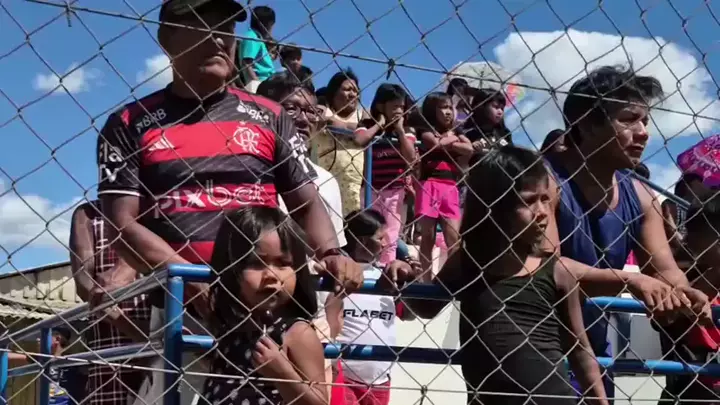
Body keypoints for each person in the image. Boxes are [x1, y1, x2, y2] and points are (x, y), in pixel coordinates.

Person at [95, 1, 362, 403]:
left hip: (268, 316)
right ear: (167, 39)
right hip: (183, 317)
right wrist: (190, 280)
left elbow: (306, 202)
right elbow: (121, 224)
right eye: (203, 28)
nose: (220, 41)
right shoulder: (129, 124)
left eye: (227, 31)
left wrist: (331, 251)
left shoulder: (269, 116)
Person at [542, 65, 712, 399]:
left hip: (593, 353)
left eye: (645, 121)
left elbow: (664, 269)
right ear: (587, 123)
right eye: (629, 119)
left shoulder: (641, 196)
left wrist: (685, 293)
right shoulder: (544, 182)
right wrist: (629, 280)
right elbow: (547, 269)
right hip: (533, 346)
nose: (644, 132)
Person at [405, 146, 612, 405]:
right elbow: (426, 307)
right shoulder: (467, 264)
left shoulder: (558, 272)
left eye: (545, 199)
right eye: (529, 201)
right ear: (495, 206)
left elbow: (580, 350)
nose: (542, 212)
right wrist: (405, 278)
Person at [203, 207, 326, 405]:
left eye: (283, 263)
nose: (271, 275)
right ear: (230, 269)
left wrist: (281, 374)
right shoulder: (232, 326)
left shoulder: (296, 333)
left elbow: (319, 402)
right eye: (256, 263)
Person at [327, 210, 417, 405]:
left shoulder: (386, 276)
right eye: (380, 238)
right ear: (362, 241)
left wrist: (410, 281)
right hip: (343, 377)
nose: (385, 244)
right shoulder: (338, 275)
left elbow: (409, 315)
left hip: (379, 381)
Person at [69, 201, 150, 405]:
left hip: (161, 324)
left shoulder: (158, 205)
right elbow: (83, 282)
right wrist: (124, 323)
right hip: (112, 341)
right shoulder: (90, 213)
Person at [658, 194, 720, 404]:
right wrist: (715, 274)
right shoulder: (683, 275)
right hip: (692, 385)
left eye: (694, 232)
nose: (687, 239)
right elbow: (665, 318)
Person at [355, 84, 417, 265]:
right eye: (394, 106)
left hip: (394, 190)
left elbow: (410, 157)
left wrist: (400, 131)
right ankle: (366, 264)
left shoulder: (407, 130)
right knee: (369, 229)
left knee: (390, 233)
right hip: (370, 188)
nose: (399, 111)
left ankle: (386, 267)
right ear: (381, 106)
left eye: (402, 107)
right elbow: (360, 139)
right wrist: (379, 124)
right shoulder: (367, 125)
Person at [416, 92, 472, 274]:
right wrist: (449, 140)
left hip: (450, 186)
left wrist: (449, 140)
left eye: (450, 107)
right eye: (443, 107)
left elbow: (468, 148)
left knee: (453, 238)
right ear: (433, 110)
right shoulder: (425, 127)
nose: (448, 112)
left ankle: (452, 277)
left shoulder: (457, 131)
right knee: (428, 236)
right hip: (429, 184)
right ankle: (425, 279)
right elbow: (433, 144)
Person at [314, 70, 369, 216]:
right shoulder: (321, 109)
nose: (353, 94)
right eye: (347, 89)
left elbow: (368, 130)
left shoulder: (363, 114)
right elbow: (320, 118)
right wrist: (355, 129)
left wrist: (334, 123)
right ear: (333, 92)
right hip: (325, 180)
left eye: (356, 91)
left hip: (355, 185)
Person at [662, 173, 708, 254]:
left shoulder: (699, 211)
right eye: (700, 183)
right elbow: (670, 229)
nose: (704, 187)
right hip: (674, 251)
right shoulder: (671, 204)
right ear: (688, 186)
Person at [239, 5, 276, 91]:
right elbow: (247, 63)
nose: (272, 28)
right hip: (261, 82)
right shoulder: (252, 37)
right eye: (271, 24)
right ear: (265, 24)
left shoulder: (258, 38)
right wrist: (257, 83)